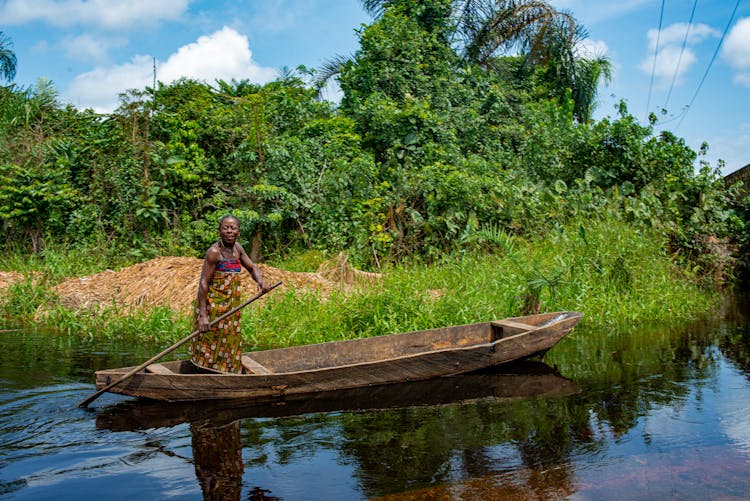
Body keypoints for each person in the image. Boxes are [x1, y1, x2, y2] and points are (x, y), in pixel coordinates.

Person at [189, 214, 270, 373]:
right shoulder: (214, 252)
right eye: (225, 228)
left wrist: (261, 282)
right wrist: (203, 315)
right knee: (209, 341)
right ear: (220, 231)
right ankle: (205, 372)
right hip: (213, 308)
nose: (229, 231)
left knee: (230, 340)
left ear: (238, 231)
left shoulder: (237, 249)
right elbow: (203, 283)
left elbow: (252, 268)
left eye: (233, 228)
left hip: (232, 308)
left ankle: (228, 371)